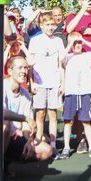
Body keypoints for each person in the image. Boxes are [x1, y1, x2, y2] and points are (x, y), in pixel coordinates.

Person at [56, 35, 91, 160]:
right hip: (71, 93)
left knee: (86, 121)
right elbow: (60, 58)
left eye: (79, 43)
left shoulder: (87, 56)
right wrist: (70, 44)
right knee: (68, 121)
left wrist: (84, 41)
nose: (77, 45)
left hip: (84, 93)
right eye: (75, 43)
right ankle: (66, 147)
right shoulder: (68, 57)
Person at [27, 12, 65, 145]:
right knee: (40, 114)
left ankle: (53, 144)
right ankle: (38, 142)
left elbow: (61, 64)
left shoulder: (58, 41)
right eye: (47, 25)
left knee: (53, 114)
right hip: (39, 83)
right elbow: (30, 65)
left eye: (52, 25)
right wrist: (31, 83)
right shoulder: (35, 40)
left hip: (54, 82)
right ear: (41, 26)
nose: (50, 27)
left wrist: (62, 84)